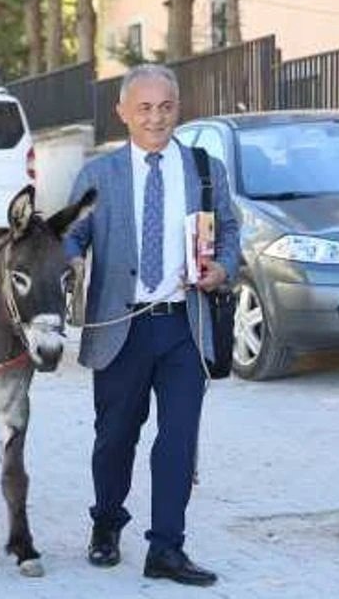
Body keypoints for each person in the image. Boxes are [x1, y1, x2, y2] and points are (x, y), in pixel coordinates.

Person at [64, 64, 240, 586]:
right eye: (144, 108)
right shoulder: (99, 175)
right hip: (122, 325)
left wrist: (223, 268)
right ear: (122, 112)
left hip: (185, 324)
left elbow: (230, 231)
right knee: (114, 438)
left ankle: (166, 547)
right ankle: (106, 523)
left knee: (178, 441)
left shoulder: (204, 170)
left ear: (178, 108)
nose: (155, 118)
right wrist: (70, 260)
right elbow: (70, 234)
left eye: (165, 107)